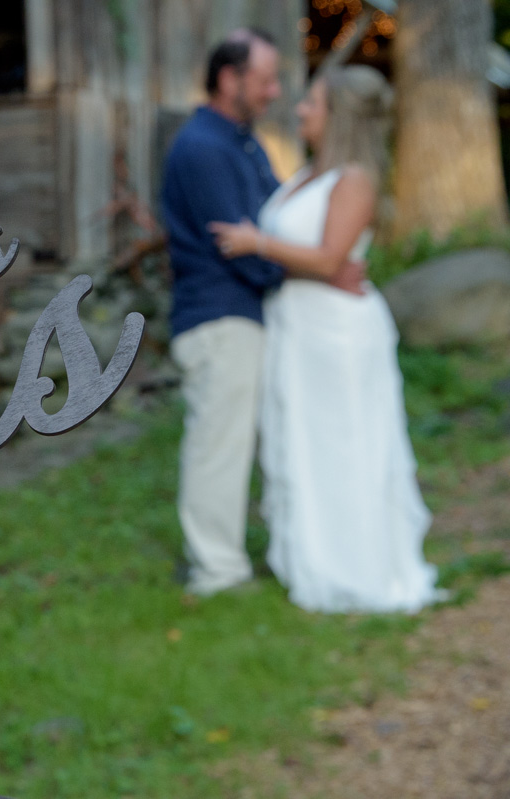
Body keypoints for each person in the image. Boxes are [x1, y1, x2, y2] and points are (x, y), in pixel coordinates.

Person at [209, 65, 441, 613]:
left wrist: (256, 243)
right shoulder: (308, 175)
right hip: (298, 324)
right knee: (301, 441)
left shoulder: (354, 179)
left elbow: (331, 258)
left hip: (336, 334)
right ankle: (309, 558)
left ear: (336, 116)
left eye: (311, 103)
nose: (300, 111)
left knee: (344, 444)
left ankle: (356, 565)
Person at [161, 29, 362, 596]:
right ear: (230, 80)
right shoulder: (202, 148)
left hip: (251, 316)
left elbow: (273, 225)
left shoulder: (241, 143)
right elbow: (240, 249)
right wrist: (322, 269)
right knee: (219, 445)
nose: (276, 91)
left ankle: (271, 550)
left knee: (255, 441)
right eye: (266, 79)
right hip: (219, 318)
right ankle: (216, 571)